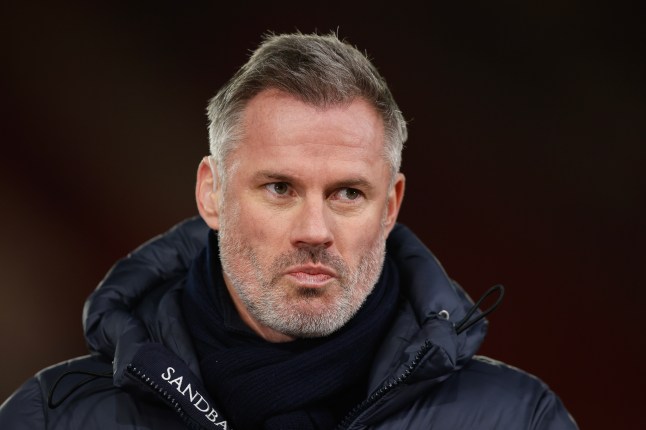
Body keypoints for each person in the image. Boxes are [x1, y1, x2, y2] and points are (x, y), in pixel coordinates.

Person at [0, 31, 578, 429]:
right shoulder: (53, 418)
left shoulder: (516, 418)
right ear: (212, 193)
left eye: (347, 193)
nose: (314, 230)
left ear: (391, 206)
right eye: (280, 188)